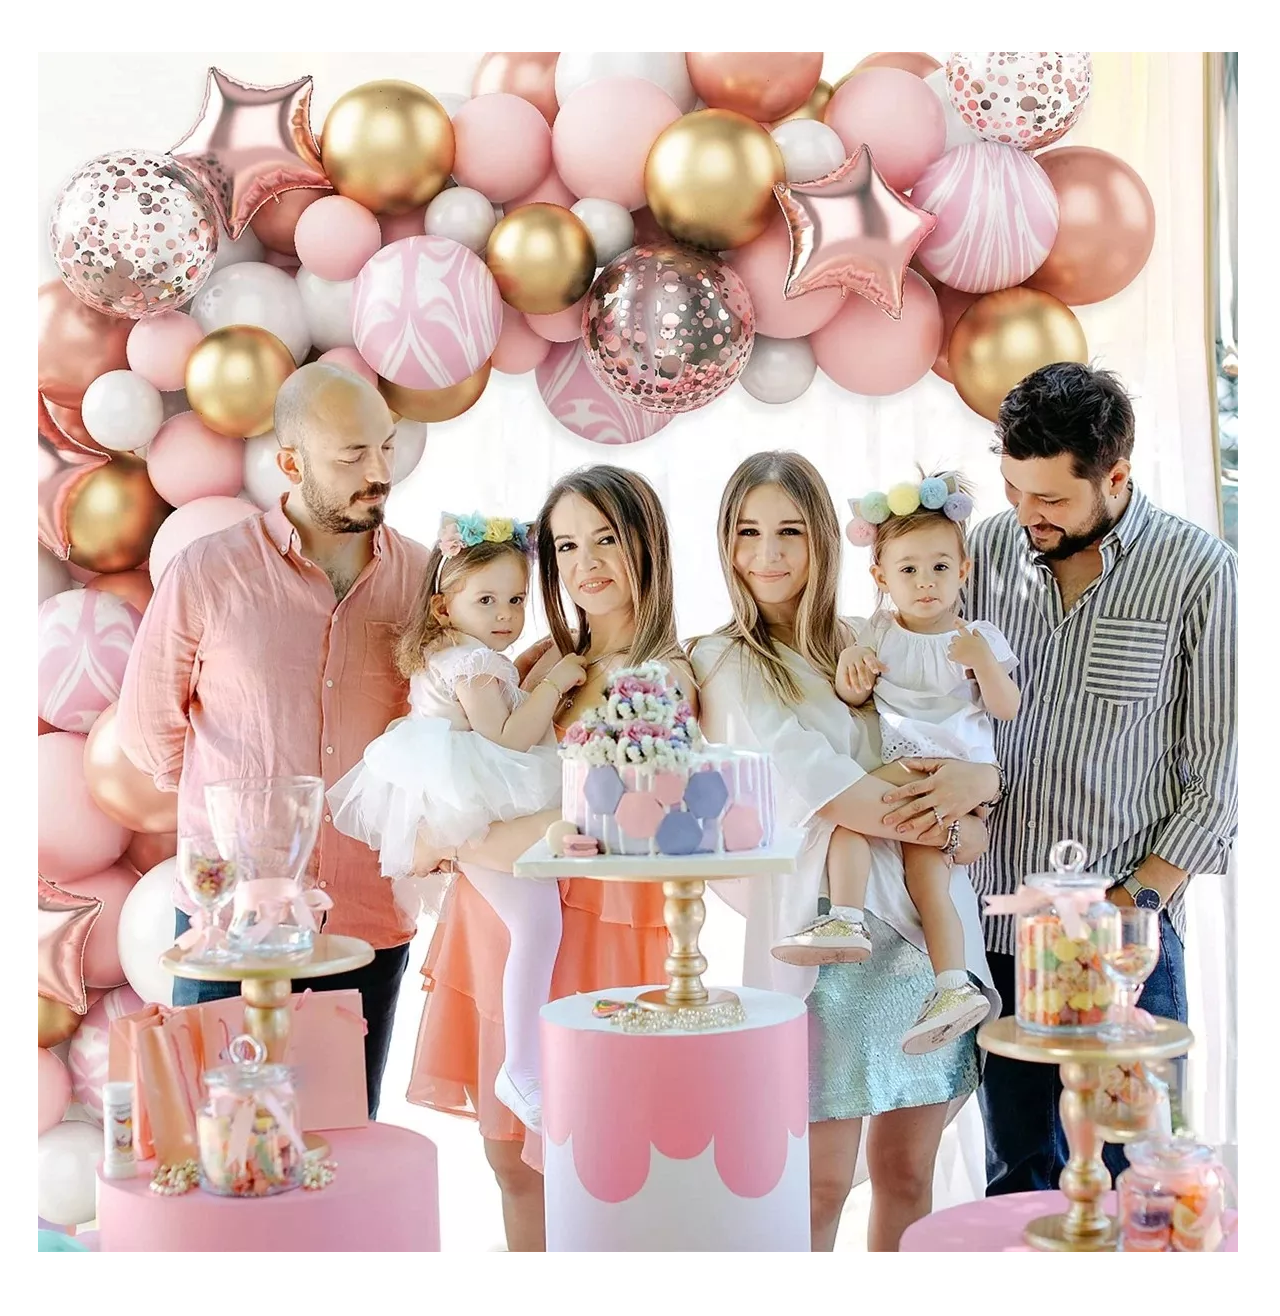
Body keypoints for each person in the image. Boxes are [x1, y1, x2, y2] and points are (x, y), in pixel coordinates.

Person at [690, 451, 1000, 1251]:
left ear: (826, 541)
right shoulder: (723, 659)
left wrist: (977, 793)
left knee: (907, 1177)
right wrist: (968, 790)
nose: (770, 553)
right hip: (825, 946)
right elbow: (832, 789)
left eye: (790, 530)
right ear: (725, 544)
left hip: (929, 950)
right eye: (749, 532)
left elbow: (965, 792)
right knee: (817, 1187)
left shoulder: (873, 640)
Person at [116, 363, 431, 1118]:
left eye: (385, 449)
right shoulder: (208, 574)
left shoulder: (425, 580)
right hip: (230, 932)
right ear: (290, 464)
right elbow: (147, 730)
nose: (379, 473)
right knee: (219, 1151)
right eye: (352, 456)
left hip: (365, 922)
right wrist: (230, 810)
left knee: (341, 1154)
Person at [406, 465, 696, 1251]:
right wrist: (445, 831)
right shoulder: (532, 660)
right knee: (508, 1158)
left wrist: (458, 836)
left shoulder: (665, 673)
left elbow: (613, 817)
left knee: (588, 1164)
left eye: (606, 538)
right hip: (501, 920)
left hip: (597, 929)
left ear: (647, 544)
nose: (587, 562)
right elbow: (460, 768)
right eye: (567, 545)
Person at [965, 362, 1238, 1195]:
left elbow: (1221, 775)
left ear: (1115, 476)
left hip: (1126, 945)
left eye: (1049, 499)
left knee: (1136, 1177)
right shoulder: (983, 549)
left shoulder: (1198, 569)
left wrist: (1131, 907)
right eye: (1013, 488)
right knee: (1019, 1179)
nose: (1026, 515)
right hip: (1003, 937)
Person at [327, 512, 585, 1132]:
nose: (505, 614)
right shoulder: (476, 663)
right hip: (467, 791)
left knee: (534, 922)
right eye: (487, 599)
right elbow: (507, 739)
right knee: (537, 926)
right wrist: (551, 686)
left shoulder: (452, 653)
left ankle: (523, 1063)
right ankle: (522, 1065)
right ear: (444, 606)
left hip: (452, 792)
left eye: (517, 599)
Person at [773, 471, 1020, 1057]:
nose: (925, 582)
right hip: (905, 764)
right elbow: (853, 700)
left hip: (954, 772)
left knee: (857, 822)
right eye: (907, 569)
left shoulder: (977, 635)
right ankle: (946, 980)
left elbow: (1007, 707)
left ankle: (869, 933)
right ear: (881, 577)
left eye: (940, 567)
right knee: (908, 864)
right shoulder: (875, 632)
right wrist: (853, 668)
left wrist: (983, 663)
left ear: (964, 571)